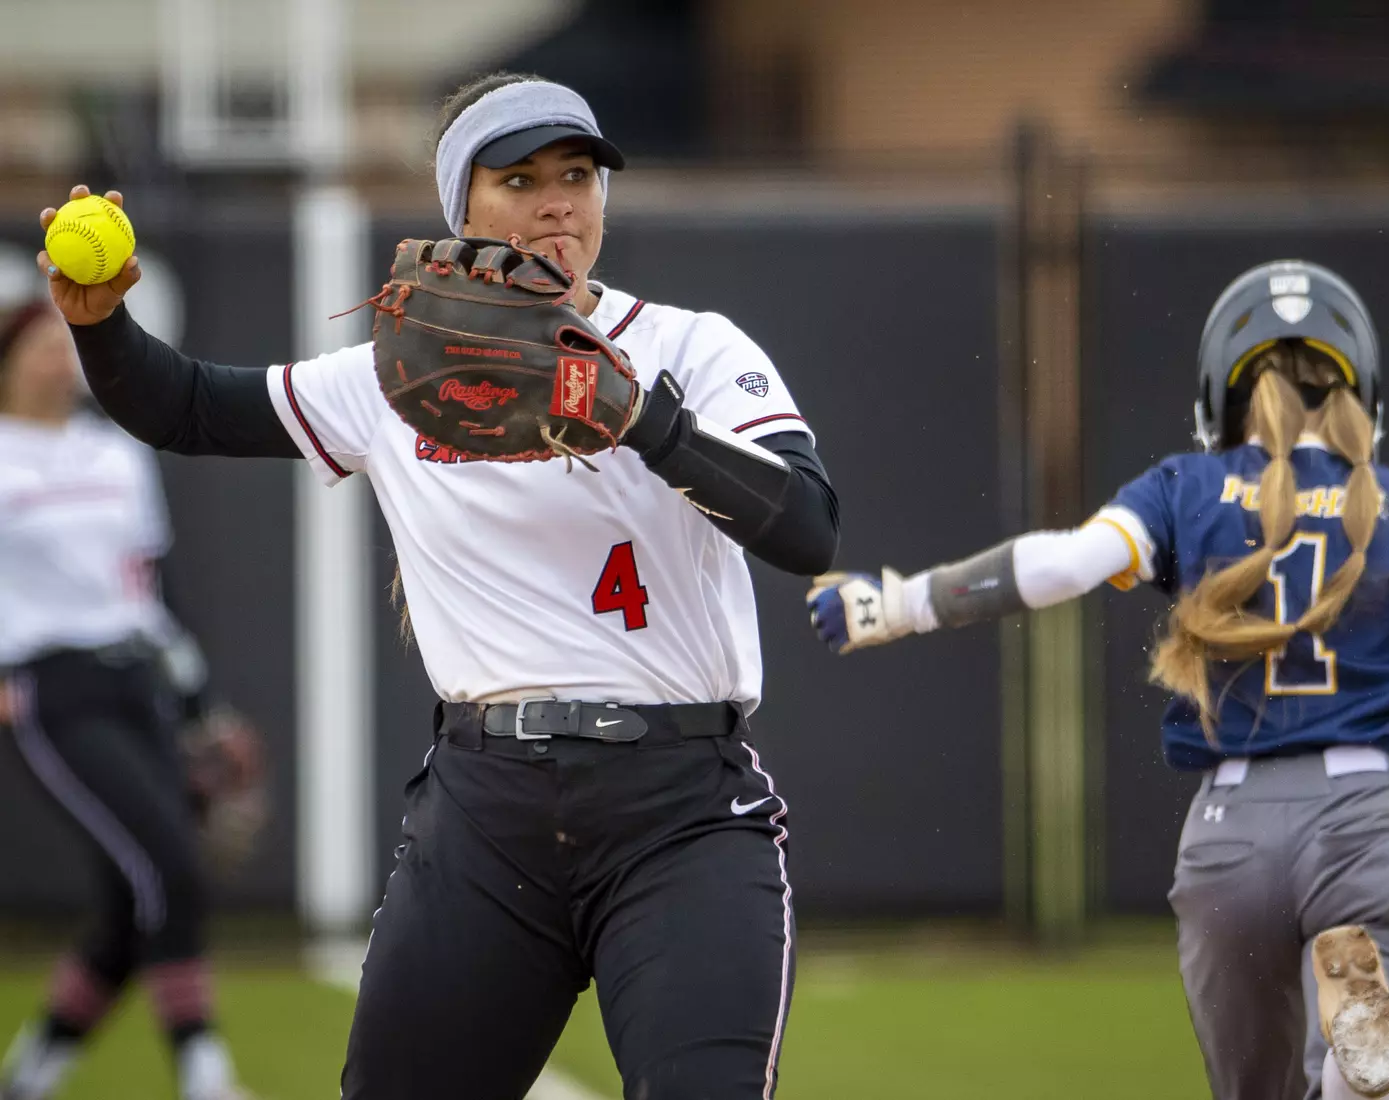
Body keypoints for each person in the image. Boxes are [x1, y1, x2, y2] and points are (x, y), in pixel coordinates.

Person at [37, 72, 837, 1100]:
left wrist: (646, 417)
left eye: (578, 173)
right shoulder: (395, 375)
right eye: (520, 177)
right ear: (463, 205)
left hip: (680, 809)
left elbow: (807, 526)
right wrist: (102, 324)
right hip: (487, 811)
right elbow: (185, 405)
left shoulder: (691, 346)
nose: (558, 201)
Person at [806, 259, 1389, 1100]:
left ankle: (1349, 1062)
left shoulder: (1183, 489)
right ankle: (1356, 1063)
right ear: (1361, 389)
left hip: (1232, 843)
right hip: (1371, 825)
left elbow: (1064, 564)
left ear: (1218, 393)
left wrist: (901, 602)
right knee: (1375, 1078)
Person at [0, 300, 254, 1100]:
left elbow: (155, 587)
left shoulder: (114, 453)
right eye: (40, 344)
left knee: (131, 899)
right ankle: (202, 1069)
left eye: (63, 344)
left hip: (135, 676)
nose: (57, 358)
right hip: (49, 684)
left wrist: (201, 703)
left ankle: (31, 1070)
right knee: (168, 867)